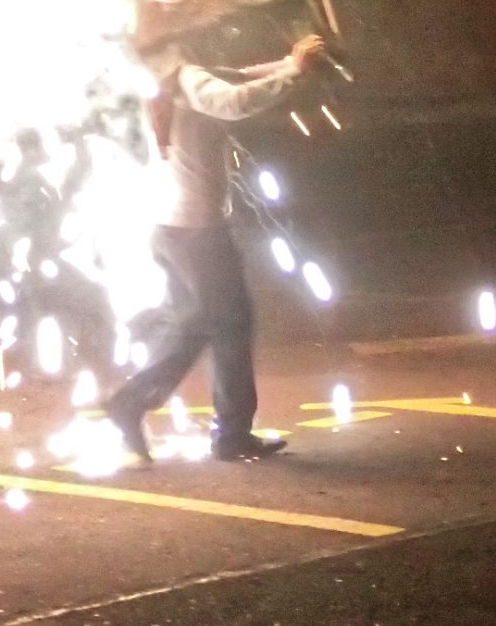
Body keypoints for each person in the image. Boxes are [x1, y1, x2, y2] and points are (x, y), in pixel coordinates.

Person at [105, 32, 330, 463]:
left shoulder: (164, 82)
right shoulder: (189, 80)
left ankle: (132, 405)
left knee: (193, 326)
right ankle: (227, 432)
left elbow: (239, 77)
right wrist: (297, 71)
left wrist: (291, 62)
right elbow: (235, 100)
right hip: (198, 232)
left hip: (171, 227)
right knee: (230, 326)